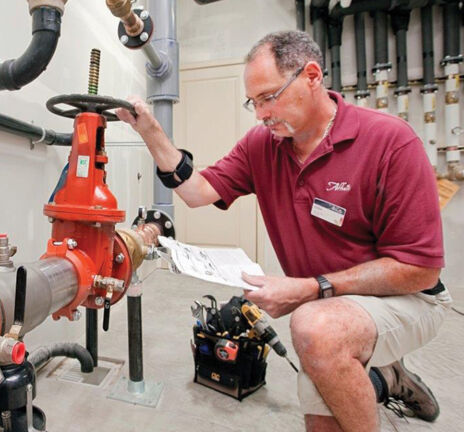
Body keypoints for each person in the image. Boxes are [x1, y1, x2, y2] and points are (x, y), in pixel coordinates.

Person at [116, 30, 452, 431]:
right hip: (328, 304)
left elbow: (420, 270)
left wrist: (311, 288)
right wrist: (150, 132)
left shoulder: (390, 142)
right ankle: (386, 376)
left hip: (408, 299)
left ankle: (383, 371)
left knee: (314, 328)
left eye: (269, 97)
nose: (260, 114)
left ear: (311, 76)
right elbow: (196, 191)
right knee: (321, 378)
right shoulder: (263, 145)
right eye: (253, 102)